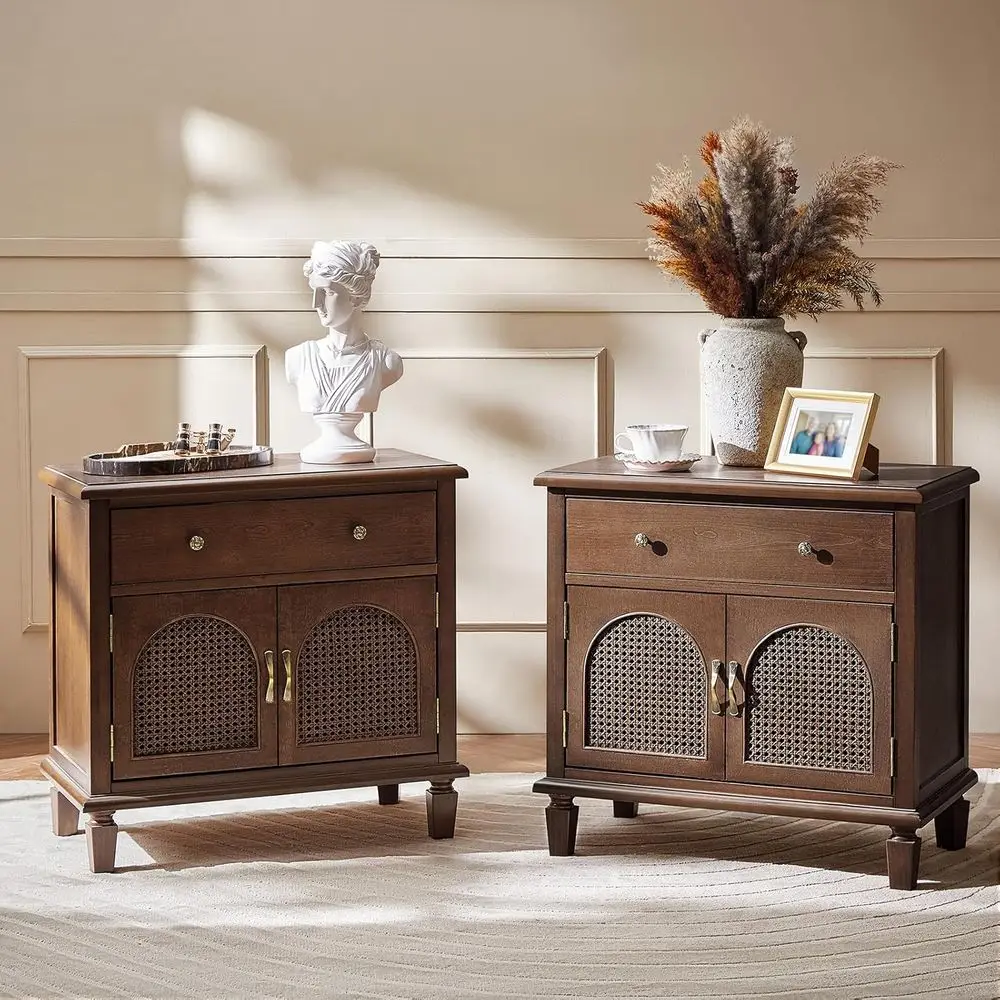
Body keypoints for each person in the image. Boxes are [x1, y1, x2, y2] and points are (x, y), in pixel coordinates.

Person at [285, 240, 403, 416]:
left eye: (327, 292)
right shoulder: (298, 357)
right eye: (314, 291)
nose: (315, 304)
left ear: (355, 296)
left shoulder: (387, 362)